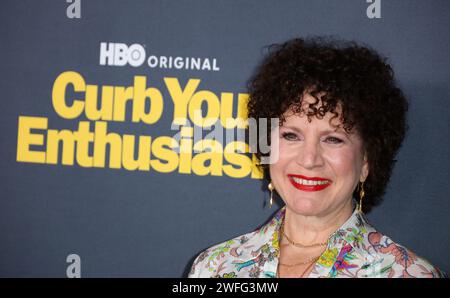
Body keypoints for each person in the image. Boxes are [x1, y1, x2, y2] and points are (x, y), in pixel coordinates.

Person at [188, 37, 445, 278]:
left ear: (366, 160)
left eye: (333, 139)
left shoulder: (406, 273)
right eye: (291, 136)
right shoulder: (214, 267)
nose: (309, 159)